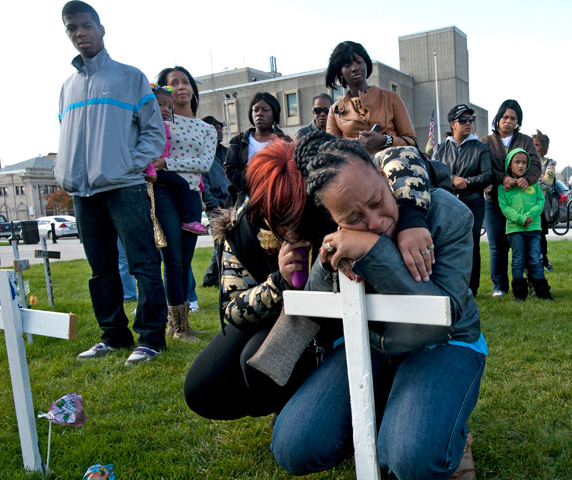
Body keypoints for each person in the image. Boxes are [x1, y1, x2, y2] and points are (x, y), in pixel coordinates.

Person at [271, 136, 487, 479]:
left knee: (410, 460)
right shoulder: (336, 230)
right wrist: (325, 264)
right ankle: (396, 416)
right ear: (332, 214)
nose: (374, 221)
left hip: (444, 345)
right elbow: (318, 312)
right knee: (294, 448)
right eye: (353, 217)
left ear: (382, 174)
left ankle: (449, 439)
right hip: (370, 346)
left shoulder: (449, 215)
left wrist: (372, 251)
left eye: (376, 201)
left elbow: (441, 318)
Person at [56, 1, 168, 365]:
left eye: (86, 25)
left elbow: (153, 133)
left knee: (143, 262)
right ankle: (113, 335)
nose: (79, 33)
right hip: (83, 194)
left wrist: (127, 166)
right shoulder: (67, 87)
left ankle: (151, 338)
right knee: (101, 268)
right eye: (72, 28)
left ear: (101, 29)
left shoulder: (130, 77)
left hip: (124, 187)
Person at [185, 139, 324, 420]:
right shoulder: (244, 227)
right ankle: (279, 405)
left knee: (257, 358)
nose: (293, 226)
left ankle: (297, 413)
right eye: (281, 216)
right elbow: (232, 310)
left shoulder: (331, 208)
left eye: (299, 212)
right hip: (273, 314)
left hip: (326, 324)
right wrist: (278, 283)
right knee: (201, 386)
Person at [155, 66, 216, 339]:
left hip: (190, 196)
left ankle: (183, 324)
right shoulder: (158, 122)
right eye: (173, 83)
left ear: (192, 88)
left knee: (186, 259)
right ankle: (177, 326)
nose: (180, 87)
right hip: (163, 193)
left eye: (185, 82)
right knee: (173, 260)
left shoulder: (206, 129)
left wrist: (167, 163)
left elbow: (204, 163)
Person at [481, 100, 541, 297]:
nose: (508, 121)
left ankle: (532, 284)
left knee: (525, 248)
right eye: (505, 117)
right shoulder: (486, 142)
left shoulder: (525, 140)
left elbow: (536, 166)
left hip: (523, 203)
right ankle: (500, 286)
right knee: (497, 246)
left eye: (513, 118)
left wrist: (527, 179)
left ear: (518, 121)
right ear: (498, 118)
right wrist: (502, 178)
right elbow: (485, 168)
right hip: (495, 201)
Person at [432, 104, 492, 297]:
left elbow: (488, 175)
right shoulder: (440, 149)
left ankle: (471, 289)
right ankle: (446, 285)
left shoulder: (481, 148)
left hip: (473, 201)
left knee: (471, 244)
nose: (468, 123)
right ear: (452, 124)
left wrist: (466, 182)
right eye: (463, 120)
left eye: (471, 120)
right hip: (446, 202)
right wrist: (452, 180)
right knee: (444, 243)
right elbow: (433, 174)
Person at [325, 41, 418, 155]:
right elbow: (331, 150)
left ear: (366, 64)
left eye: (359, 62)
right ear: (340, 72)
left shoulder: (391, 98)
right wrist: (355, 144)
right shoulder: (335, 111)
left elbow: (411, 141)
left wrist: (384, 140)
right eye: (347, 65)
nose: (354, 68)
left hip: (394, 161)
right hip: (356, 166)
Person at [151, 84, 207, 236]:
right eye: (161, 105)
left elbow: (204, 164)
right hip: (154, 172)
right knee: (181, 183)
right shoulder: (147, 126)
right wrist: (152, 167)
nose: (166, 110)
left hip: (162, 169)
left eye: (169, 107)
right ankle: (188, 220)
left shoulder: (165, 127)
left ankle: (188, 218)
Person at [498, 148, 553, 301]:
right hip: (515, 230)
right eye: (517, 162)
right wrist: (520, 219)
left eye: (524, 162)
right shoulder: (504, 188)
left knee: (535, 259)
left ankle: (543, 292)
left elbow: (540, 201)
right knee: (518, 260)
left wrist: (530, 216)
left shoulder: (534, 185)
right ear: (510, 165)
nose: (521, 166)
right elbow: (505, 208)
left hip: (533, 228)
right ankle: (519, 294)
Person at [224, 92, 288, 207]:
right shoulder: (238, 141)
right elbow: (230, 169)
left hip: (276, 200)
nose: (259, 114)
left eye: (265, 110)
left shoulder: (284, 142)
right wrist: (252, 183)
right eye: (256, 110)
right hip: (244, 200)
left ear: (274, 114)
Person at [200, 115, 231, 288]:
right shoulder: (203, 154)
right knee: (220, 242)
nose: (218, 131)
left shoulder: (226, 152)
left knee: (224, 242)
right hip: (215, 206)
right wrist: (213, 203)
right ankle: (219, 278)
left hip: (230, 203)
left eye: (220, 128)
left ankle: (210, 277)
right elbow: (202, 181)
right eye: (214, 128)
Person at [532, 130, 556, 272]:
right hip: (524, 204)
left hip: (541, 205)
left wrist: (531, 179)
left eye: (537, 144)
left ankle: (544, 259)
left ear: (544, 147)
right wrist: (538, 177)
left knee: (540, 235)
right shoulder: (525, 160)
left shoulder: (549, 163)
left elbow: (547, 182)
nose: (534, 147)